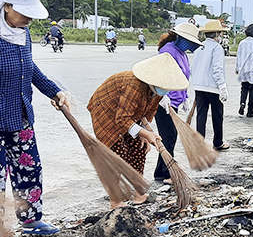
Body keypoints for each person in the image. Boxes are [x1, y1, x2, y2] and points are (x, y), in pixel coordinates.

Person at [0, 0, 70, 235]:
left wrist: (55, 90)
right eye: (24, 13)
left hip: (21, 114)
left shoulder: (23, 33)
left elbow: (30, 69)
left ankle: (31, 219)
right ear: (6, 6)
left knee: (29, 169)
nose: (29, 19)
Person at [87, 53, 189, 208]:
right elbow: (121, 119)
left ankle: (138, 193)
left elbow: (150, 111)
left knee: (139, 148)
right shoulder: (134, 85)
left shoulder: (158, 90)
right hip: (107, 112)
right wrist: (146, 133)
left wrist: (143, 133)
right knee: (116, 153)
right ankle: (115, 201)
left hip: (128, 115)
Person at [154, 22, 203, 182]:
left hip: (174, 102)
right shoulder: (168, 51)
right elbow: (160, 74)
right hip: (163, 102)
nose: (189, 45)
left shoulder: (182, 53)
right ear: (180, 38)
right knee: (169, 136)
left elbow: (182, 77)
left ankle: (161, 172)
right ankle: (167, 173)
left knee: (169, 137)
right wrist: (163, 96)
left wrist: (185, 97)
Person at [192, 20, 230, 150]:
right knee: (217, 115)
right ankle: (218, 142)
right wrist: (222, 86)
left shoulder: (199, 47)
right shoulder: (217, 48)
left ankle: (199, 143)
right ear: (216, 34)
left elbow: (193, 67)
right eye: (219, 33)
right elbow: (217, 69)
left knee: (201, 115)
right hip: (212, 87)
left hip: (199, 85)